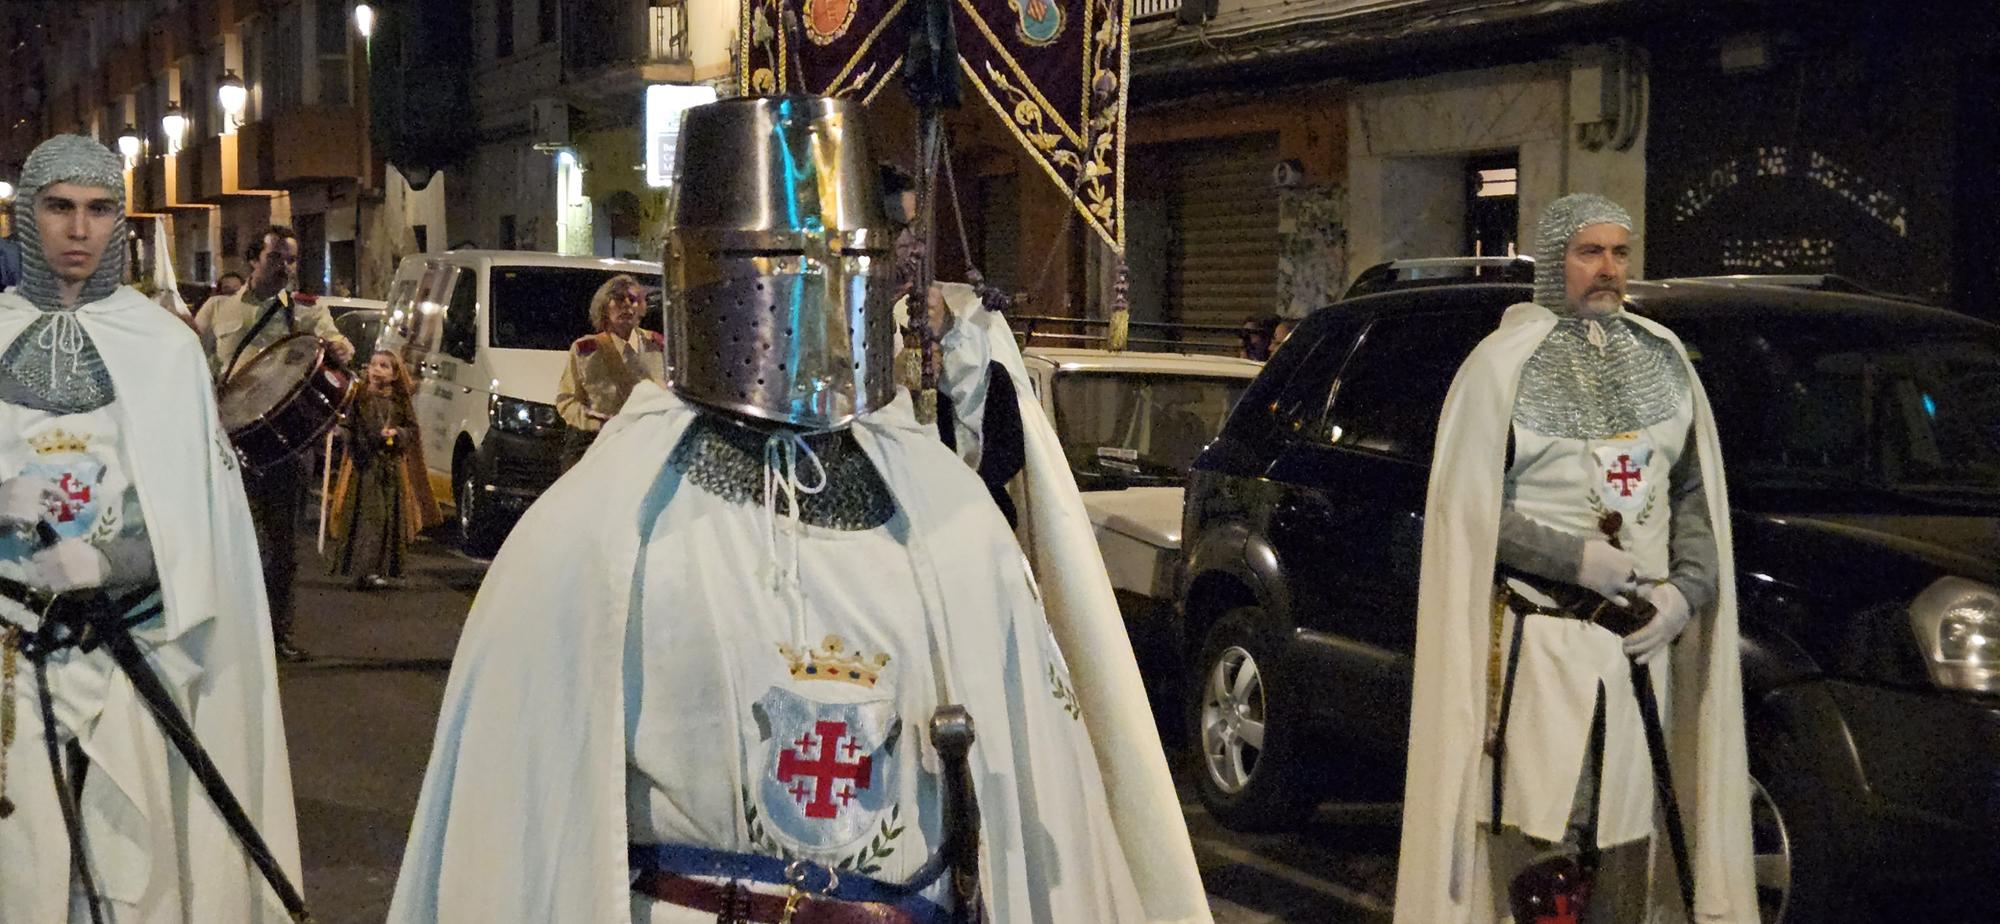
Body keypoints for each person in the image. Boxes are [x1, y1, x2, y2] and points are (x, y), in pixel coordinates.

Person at [388, 96, 1209, 924]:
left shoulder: (949, 522)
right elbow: (510, 837)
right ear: (695, 276)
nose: (797, 302)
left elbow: (1034, 810)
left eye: (832, 264)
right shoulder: (593, 533)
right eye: (766, 265)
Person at [1395, 193, 1755, 923]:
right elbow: (1470, 513)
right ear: (1554, 261)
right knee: (1540, 841)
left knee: (1630, 843)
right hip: (1542, 644)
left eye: (1620, 252)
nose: (1609, 269)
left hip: (1639, 648)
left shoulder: (1665, 362)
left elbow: (1694, 495)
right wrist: (1573, 559)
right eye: (1590, 252)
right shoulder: (1501, 368)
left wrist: (1686, 590)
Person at [0, 134, 302, 922]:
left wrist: (111, 563)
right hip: (5, 661)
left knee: (122, 869)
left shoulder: (166, 350)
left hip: (130, 652)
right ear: (27, 217)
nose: (78, 229)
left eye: (99, 210)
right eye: (59, 208)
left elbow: (198, 524)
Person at [194, 226, 353, 663]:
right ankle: (226, 632)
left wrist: (339, 347)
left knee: (281, 547)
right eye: (277, 258)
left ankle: (276, 634)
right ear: (253, 260)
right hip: (229, 442)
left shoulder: (304, 311)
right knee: (227, 542)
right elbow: (190, 362)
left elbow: (340, 345)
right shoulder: (218, 309)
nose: (286, 267)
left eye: (291, 260)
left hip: (283, 446)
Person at [326, 350, 439, 589]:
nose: (377, 369)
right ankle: (362, 570)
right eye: (374, 364)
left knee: (388, 518)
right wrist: (339, 432)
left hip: (391, 468)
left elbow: (411, 428)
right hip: (366, 466)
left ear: (395, 374)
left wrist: (397, 434)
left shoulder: (399, 402)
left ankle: (379, 568)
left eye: (384, 366)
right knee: (369, 517)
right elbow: (349, 425)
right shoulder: (360, 398)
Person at [554, 273, 665, 470]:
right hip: (599, 444)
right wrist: (597, 422)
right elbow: (567, 401)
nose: (627, 305)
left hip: (646, 447)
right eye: (619, 299)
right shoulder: (586, 349)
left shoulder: (657, 346)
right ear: (604, 307)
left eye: (633, 299)